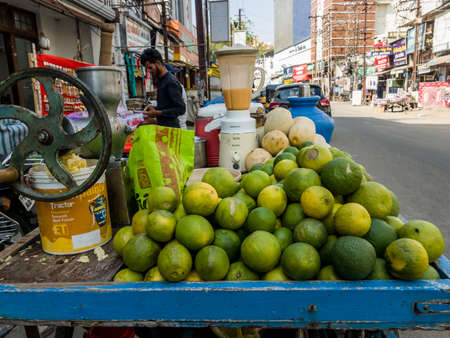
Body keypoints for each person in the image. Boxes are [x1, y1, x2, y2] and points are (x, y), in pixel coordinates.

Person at [140, 48, 186, 128]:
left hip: (171, 131)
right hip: (163, 129)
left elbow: (181, 109)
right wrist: (153, 108)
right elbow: (166, 107)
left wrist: (156, 113)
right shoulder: (161, 81)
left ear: (158, 63)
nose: (148, 71)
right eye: (147, 68)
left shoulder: (170, 82)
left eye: (150, 67)